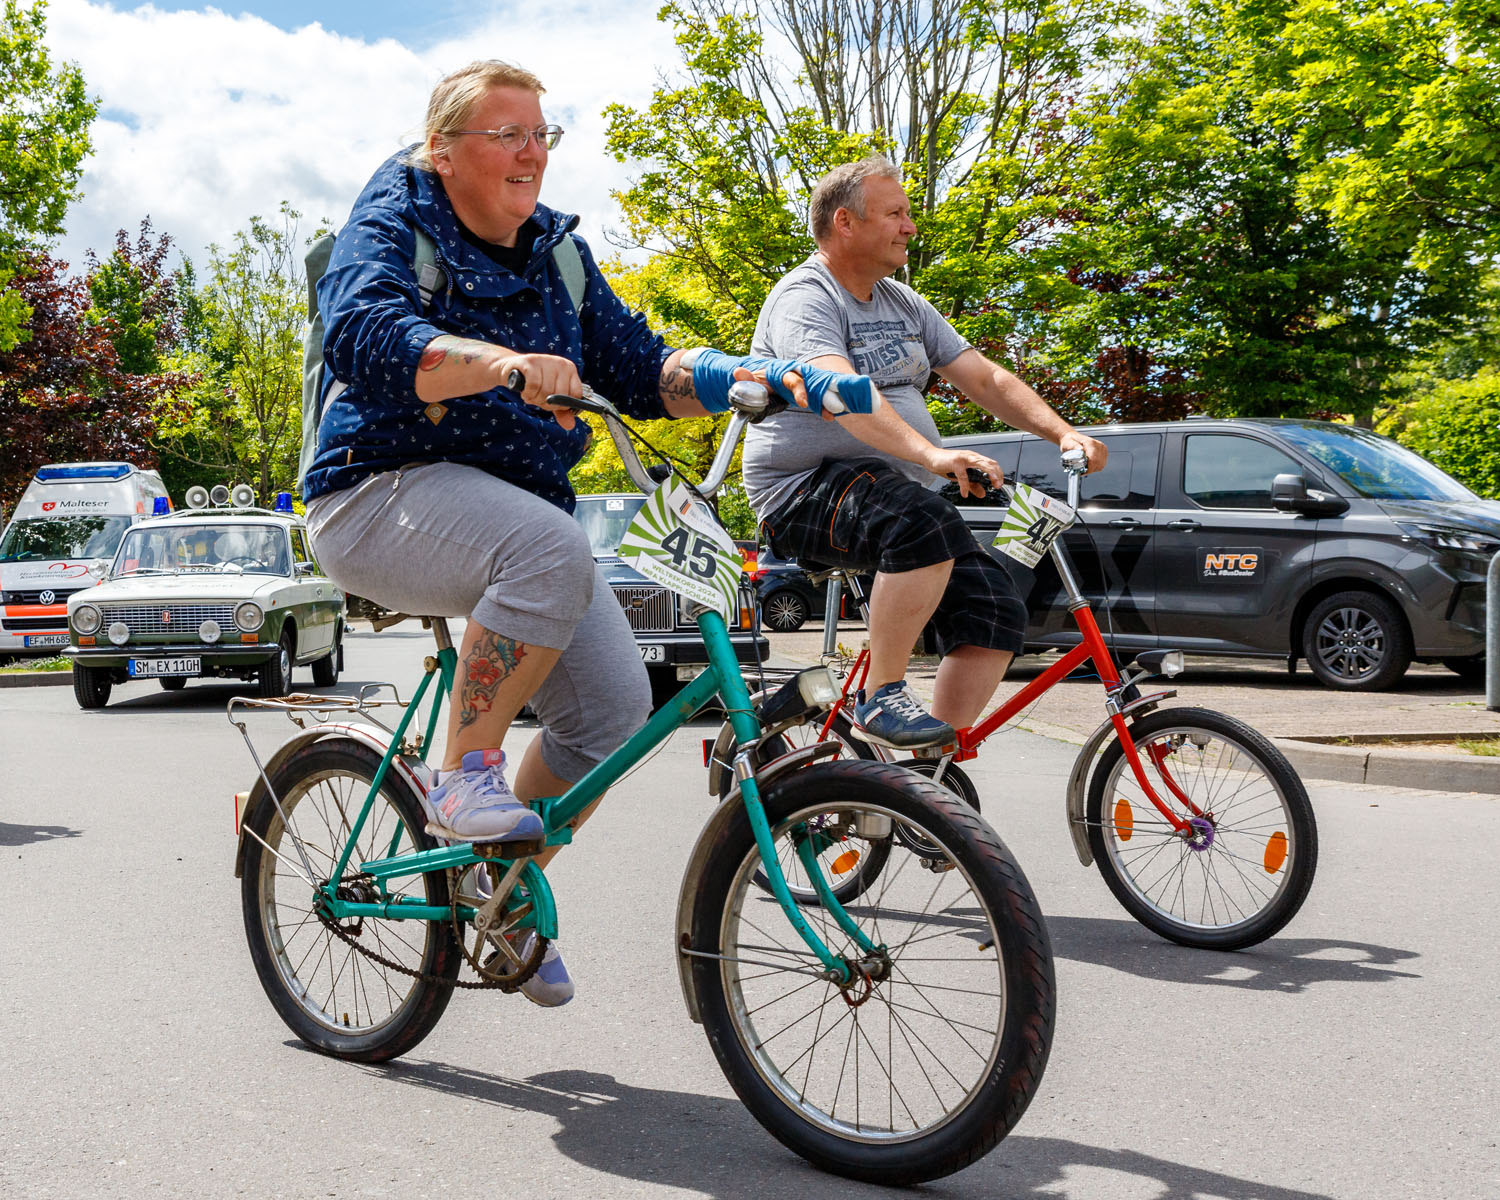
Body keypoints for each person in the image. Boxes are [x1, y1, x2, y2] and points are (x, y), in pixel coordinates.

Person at [302, 60, 868, 1006]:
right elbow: (367, 335)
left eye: (542, 134)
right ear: (444, 153)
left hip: (513, 513)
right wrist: (499, 363)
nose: (533, 153)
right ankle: (465, 775)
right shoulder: (393, 221)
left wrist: (757, 376)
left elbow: (645, 368)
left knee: (610, 720)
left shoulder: (556, 253)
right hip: (375, 492)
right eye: (508, 134)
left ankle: (500, 889)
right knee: (549, 547)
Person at [744, 155, 1108, 751]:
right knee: (921, 520)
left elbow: (985, 380)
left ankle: (929, 767)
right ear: (845, 223)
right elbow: (844, 395)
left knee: (994, 607)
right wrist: (933, 455)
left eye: (908, 213)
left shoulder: (904, 303)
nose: (911, 225)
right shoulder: (805, 298)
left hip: (890, 494)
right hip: (803, 491)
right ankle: (881, 695)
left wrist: (1062, 433)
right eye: (896, 213)